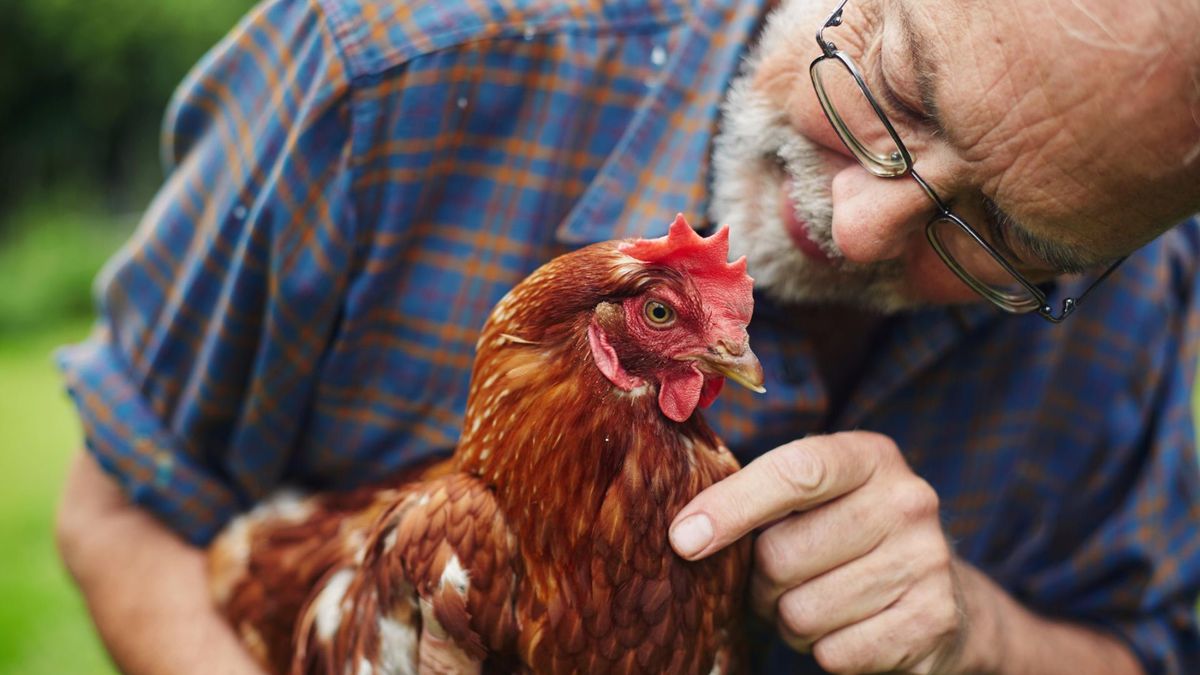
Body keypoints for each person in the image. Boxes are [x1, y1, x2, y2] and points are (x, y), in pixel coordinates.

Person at [53, 0, 1200, 672]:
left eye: (1000, 234)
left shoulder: (1131, 287)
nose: (857, 227)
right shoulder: (381, 71)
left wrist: (979, 636)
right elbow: (116, 511)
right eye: (898, 90)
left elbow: (1147, 648)